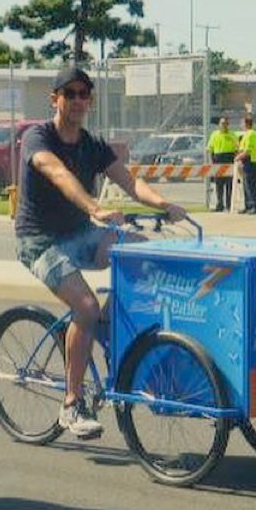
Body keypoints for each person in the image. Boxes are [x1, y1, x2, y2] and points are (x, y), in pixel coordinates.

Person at [15, 67, 187, 439]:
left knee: (149, 260)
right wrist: (93, 206)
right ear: (55, 98)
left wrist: (164, 204)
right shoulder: (37, 137)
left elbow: (129, 180)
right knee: (86, 306)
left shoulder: (92, 144)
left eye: (84, 94)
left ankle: (110, 333)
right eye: (70, 93)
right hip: (39, 240)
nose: (78, 100)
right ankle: (71, 404)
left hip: (80, 234)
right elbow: (58, 173)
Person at [206, 116, 238, 211]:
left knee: (229, 184)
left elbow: (237, 149)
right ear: (219, 125)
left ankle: (229, 205)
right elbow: (210, 149)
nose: (224, 125)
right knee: (219, 184)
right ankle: (219, 204)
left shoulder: (232, 135)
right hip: (218, 159)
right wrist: (211, 162)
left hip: (229, 159)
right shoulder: (214, 135)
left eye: (226, 123)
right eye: (222, 123)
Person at [236, 114, 256, 214]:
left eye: (242, 123)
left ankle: (254, 206)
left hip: (251, 161)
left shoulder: (251, 134)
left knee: (250, 185)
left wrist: (238, 157)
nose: (241, 125)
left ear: (246, 123)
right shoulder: (247, 134)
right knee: (246, 185)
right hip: (247, 161)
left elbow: (248, 150)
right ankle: (248, 205)